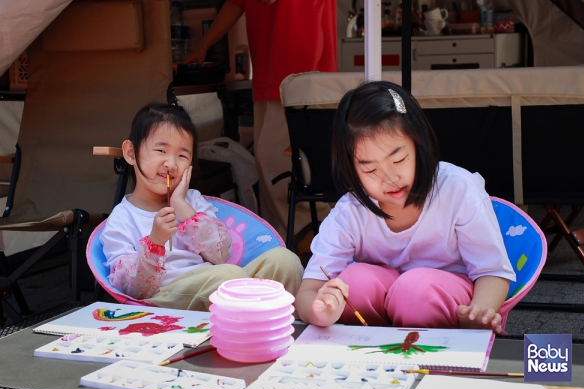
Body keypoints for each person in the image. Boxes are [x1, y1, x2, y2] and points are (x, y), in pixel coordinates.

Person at [295, 81, 516, 334]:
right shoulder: (350, 212)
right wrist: (319, 310)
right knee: (352, 282)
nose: (389, 178)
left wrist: (479, 312)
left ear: (418, 143)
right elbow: (309, 289)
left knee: (415, 291)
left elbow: (492, 270)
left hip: (450, 302)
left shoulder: (457, 189)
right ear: (352, 170)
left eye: (398, 159)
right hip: (377, 325)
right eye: (370, 169)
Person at [100, 103, 304, 311]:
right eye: (161, 150)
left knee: (285, 260)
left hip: (214, 281)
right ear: (131, 153)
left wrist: (182, 207)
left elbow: (221, 255)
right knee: (228, 276)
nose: (171, 163)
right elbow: (129, 288)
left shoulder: (193, 200)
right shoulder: (122, 217)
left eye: (182, 155)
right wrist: (155, 242)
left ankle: (278, 328)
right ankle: (245, 327)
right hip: (164, 297)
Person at [179, 0, 337, 240]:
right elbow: (236, 3)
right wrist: (204, 45)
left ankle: (309, 233)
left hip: (300, 71)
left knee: (280, 162)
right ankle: (284, 238)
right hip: (271, 70)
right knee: (270, 163)